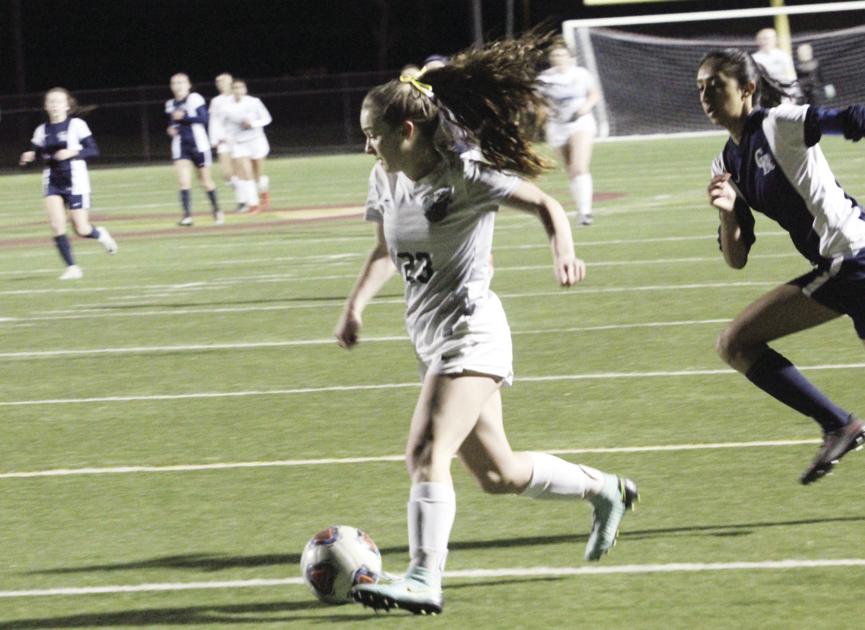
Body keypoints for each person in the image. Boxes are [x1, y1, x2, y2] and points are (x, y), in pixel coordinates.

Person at [335, 33, 638, 616]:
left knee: (425, 453)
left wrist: (563, 251)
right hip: (429, 336)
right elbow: (384, 249)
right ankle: (606, 489)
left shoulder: (467, 175)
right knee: (499, 474)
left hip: (471, 333)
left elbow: (546, 205)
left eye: (372, 133)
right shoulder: (386, 177)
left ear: (406, 131)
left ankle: (424, 578)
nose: (365, 143)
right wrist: (355, 306)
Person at [698, 48, 865, 486]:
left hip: (854, 257)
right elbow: (736, 259)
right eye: (700, 89)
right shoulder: (725, 164)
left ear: (748, 89)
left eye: (716, 86)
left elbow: (852, 118)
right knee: (735, 343)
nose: (706, 97)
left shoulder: (780, 123)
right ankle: (838, 425)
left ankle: (839, 425)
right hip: (841, 268)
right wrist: (728, 212)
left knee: (735, 342)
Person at [19, 87, 117, 280]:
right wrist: (27, 159)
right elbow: (33, 157)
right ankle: (73, 268)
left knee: (81, 229)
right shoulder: (41, 130)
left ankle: (100, 234)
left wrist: (72, 152)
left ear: (67, 105)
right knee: (57, 225)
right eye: (51, 102)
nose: (54, 105)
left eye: (58, 101)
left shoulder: (77, 125)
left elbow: (93, 150)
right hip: (52, 179)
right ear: (46, 106)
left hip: (76, 179)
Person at [536, 42, 600, 226]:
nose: (558, 59)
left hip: (581, 123)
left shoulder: (581, 74)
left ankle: (586, 212)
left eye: (562, 55)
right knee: (571, 169)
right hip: (557, 126)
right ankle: (582, 210)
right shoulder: (544, 79)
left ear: (570, 57)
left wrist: (585, 108)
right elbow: (536, 101)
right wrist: (546, 110)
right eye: (555, 55)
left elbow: (594, 94)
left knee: (579, 167)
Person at [165, 73, 222, 226]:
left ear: (188, 84)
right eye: (174, 83)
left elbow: (204, 119)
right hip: (180, 145)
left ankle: (216, 210)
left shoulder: (194, 98)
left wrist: (184, 118)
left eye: (181, 82)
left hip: (199, 145)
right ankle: (187, 216)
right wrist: (171, 129)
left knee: (205, 181)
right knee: (183, 182)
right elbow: (173, 123)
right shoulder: (170, 103)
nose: (177, 86)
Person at [223, 78, 272, 214]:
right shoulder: (227, 107)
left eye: (240, 87)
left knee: (258, 175)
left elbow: (267, 118)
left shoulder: (254, 102)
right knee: (246, 174)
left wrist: (253, 124)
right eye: (235, 88)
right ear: (232, 90)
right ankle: (253, 204)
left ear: (245, 89)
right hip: (239, 143)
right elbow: (225, 125)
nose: (238, 90)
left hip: (256, 140)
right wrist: (227, 138)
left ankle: (264, 194)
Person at [209, 72, 243, 210]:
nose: (220, 84)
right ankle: (244, 196)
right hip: (223, 141)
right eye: (218, 82)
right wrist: (213, 139)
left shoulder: (238, 98)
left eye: (223, 81)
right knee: (227, 174)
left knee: (240, 172)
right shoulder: (216, 101)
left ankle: (243, 201)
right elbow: (213, 121)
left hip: (238, 140)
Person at [795, 43, 836, 107]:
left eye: (806, 52)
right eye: (802, 52)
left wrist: (827, 86)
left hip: (815, 93)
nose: (805, 54)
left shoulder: (816, 64)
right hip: (803, 94)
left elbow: (822, 77)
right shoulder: (797, 67)